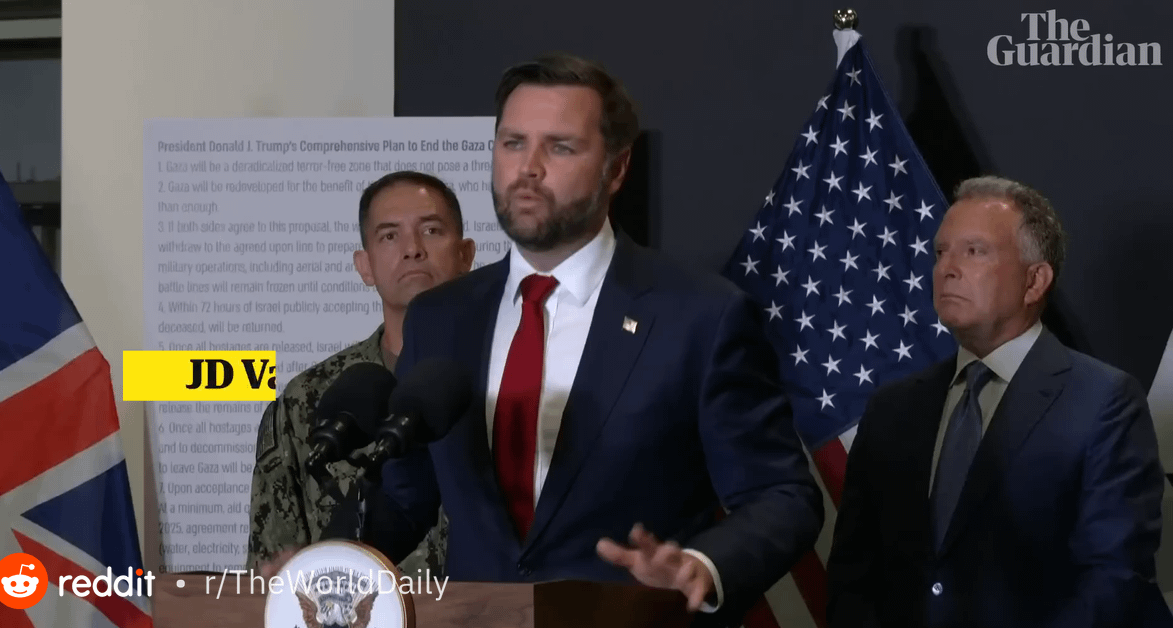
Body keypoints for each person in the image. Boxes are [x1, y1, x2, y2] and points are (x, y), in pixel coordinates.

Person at [323, 53, 823, 627]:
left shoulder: (700, 315)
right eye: (513, 143)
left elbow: (782, 495)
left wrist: (702, 565)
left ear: (616, 168)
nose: (528, 169)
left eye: (559, 147)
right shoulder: (440, 317)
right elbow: (404, 497)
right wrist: (319, 565)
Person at [826, 175, 1173, 627]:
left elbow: (1114, 580)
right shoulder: (891, 409)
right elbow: (853, 577)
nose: (947, 269)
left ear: (1034, 281)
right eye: (941, 252)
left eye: (974, 251)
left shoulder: (1104, 402)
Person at [245, 170, 475, 578]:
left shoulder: (506, 381)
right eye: (389, 236)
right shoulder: (309, 400)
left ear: (465, 255)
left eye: (431, 230)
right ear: (365, 266)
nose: (412, 249)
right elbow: (272, 566)